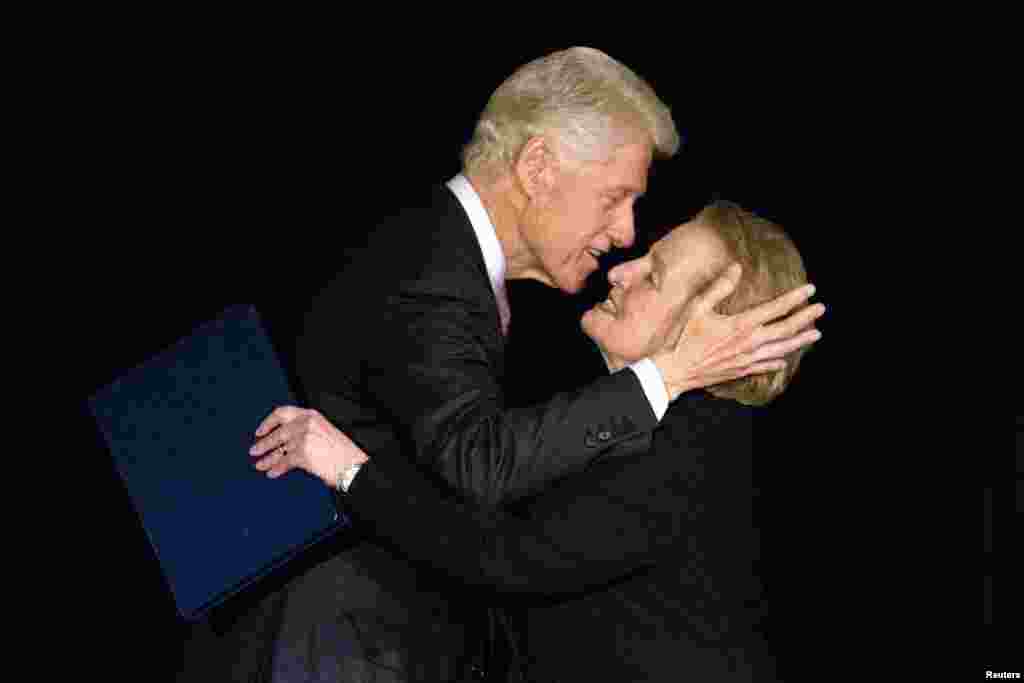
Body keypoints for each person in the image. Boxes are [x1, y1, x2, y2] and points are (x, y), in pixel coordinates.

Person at [248, 47, 823, 681]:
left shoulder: (690, 444)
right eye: (616, 199)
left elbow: (506, 557)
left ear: (703, 328)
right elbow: (486, 488)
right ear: (538, 167)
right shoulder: (435, 276)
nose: (626, 249)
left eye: (654, 275)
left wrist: (350, 469)